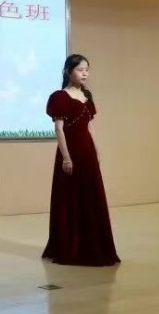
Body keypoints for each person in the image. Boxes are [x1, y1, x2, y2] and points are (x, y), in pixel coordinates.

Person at [42, 54, 121, 267]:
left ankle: (93, 245)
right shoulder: (59, 97)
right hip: (71, 153)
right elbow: (59, 129)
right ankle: (69, 246)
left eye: (87, 69)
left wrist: (96, 151)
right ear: (68, 71)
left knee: (91, 198)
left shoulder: (87, 95)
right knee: (70, 200)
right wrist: (66, 158)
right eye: (80, 69)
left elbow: (89, 127)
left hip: (87, 153)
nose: (85, 73)